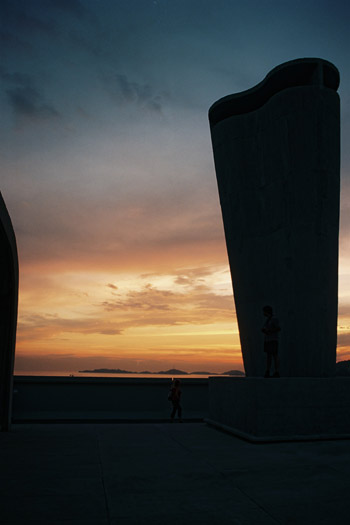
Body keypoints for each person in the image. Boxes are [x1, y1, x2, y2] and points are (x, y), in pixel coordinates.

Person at [262, 305, 281, 378]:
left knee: (274, 356)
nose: (263, 313)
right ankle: (268, 371)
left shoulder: (274, 319)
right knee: (268, 356)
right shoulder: (268, 320)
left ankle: (276, 372)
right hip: (268, 340)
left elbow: (278, 328)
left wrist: (270, 331)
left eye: (264, 312)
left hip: (273, 340)